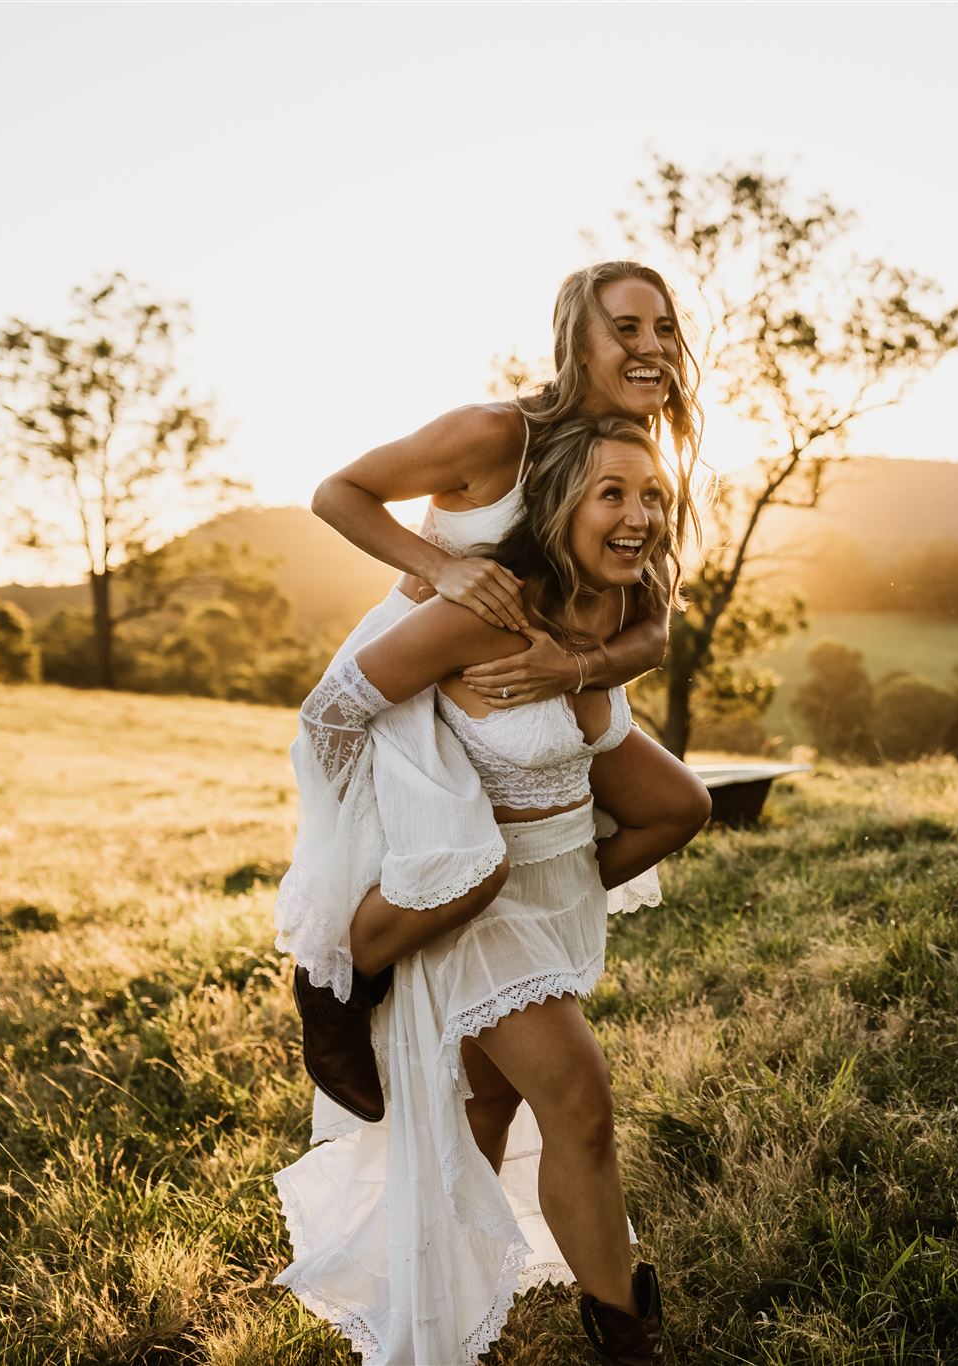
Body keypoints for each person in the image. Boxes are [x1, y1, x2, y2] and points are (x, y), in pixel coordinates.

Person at [276, 416, 685, 1365]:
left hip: (546, 902)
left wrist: (576, 867)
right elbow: (332, 713)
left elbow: (638, 688)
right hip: (468, 909)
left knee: (482, 1117)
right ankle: (632, 1341)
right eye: (611, 495)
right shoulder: (487, 610)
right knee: (580, 1100)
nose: (639, 515)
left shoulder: (621, 608)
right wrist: (388, 828)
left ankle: (454, 1313)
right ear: (557, 506)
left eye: (653, 495)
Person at [284, 262, 713, 1123]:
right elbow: (339, 492)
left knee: (677, 805)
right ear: (575, 340)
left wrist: (575, 671)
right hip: (428, 673)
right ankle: (339, 977)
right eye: (626, 328)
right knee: (464, 873)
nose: (652, 348)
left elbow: (654, 632)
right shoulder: (491, 432)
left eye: (664, 328)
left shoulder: (636, 463)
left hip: (550, 682)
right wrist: (443, 567)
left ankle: (521, 931)